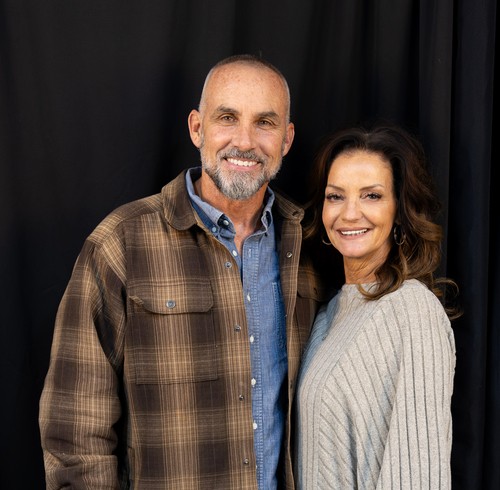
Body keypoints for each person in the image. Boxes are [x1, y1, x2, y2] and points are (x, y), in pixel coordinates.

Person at [39, 54, 328, 489]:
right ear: (196, 128)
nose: (245, 141)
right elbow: (75, 432)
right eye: (227, 118)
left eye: (265, 123)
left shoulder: (308, 243)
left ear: (286, 139)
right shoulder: (121, 243)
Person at [295, 122, 461, 489]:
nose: (350, 213)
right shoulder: (328, 313)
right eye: (336, 196)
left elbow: (420, 475)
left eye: (371, 196)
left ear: (399, 211)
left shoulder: (413, 311)